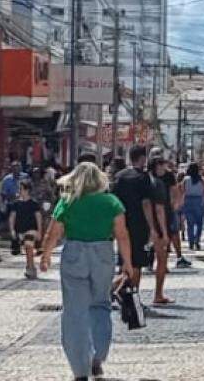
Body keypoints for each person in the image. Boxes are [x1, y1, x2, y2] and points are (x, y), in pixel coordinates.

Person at [40, 162, 133, 381]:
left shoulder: (68, 201)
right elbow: (122, 234)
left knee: (74, 312)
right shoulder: (111, 202)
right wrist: (127, 262)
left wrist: (45, 256)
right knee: (100, 304)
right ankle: (97, 357)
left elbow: (53, 232)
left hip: (74, 252)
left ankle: (79, 370)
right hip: (102, 252)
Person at [110, 145, 157, 291]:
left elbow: (113, 201)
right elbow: (146, 204)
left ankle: (117, 291)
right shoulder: (143, 178)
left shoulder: (119, 176)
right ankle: (131, 295)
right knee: (137, 262)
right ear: (143, 158)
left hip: (121, 223)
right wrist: (152, 228)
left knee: (124, 258)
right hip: (139, 225)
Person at [147, 155, 174, 306]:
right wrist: (163, 232)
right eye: (163, 164)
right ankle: (158, 294)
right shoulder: (157, 184)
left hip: (142, 225)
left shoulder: (143, 180)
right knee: (162, 259)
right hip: (157, 226)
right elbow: (159, 209)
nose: (165, 167)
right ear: (157, 165)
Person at [8, 180, 45, 279]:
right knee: (27, 249)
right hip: (20, 230)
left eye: (21, 188)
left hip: (31, 229)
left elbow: (38, 218)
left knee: (29, 247)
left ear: (27, 190)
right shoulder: (16, 204)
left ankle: (31, 268)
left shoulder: (33, 204)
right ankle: (30, 267)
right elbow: (12, 217)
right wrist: (12, 230)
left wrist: (39, 231)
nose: (19, 190)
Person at [180, 162, 204, 251]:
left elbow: (182, 190)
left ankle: (191, 242)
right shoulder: (201, 179)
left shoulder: (185, 179)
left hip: (188, 200)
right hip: (198, 201)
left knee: (190, 223)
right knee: (199, 223)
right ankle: (197, 240)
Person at [169, 170, 190, 268]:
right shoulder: (173, 183)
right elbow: (178, 197)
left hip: (169, 210)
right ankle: (179, 257)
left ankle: (150, 260)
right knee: (174, 233)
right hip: (171, 210)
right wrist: (176, 205)